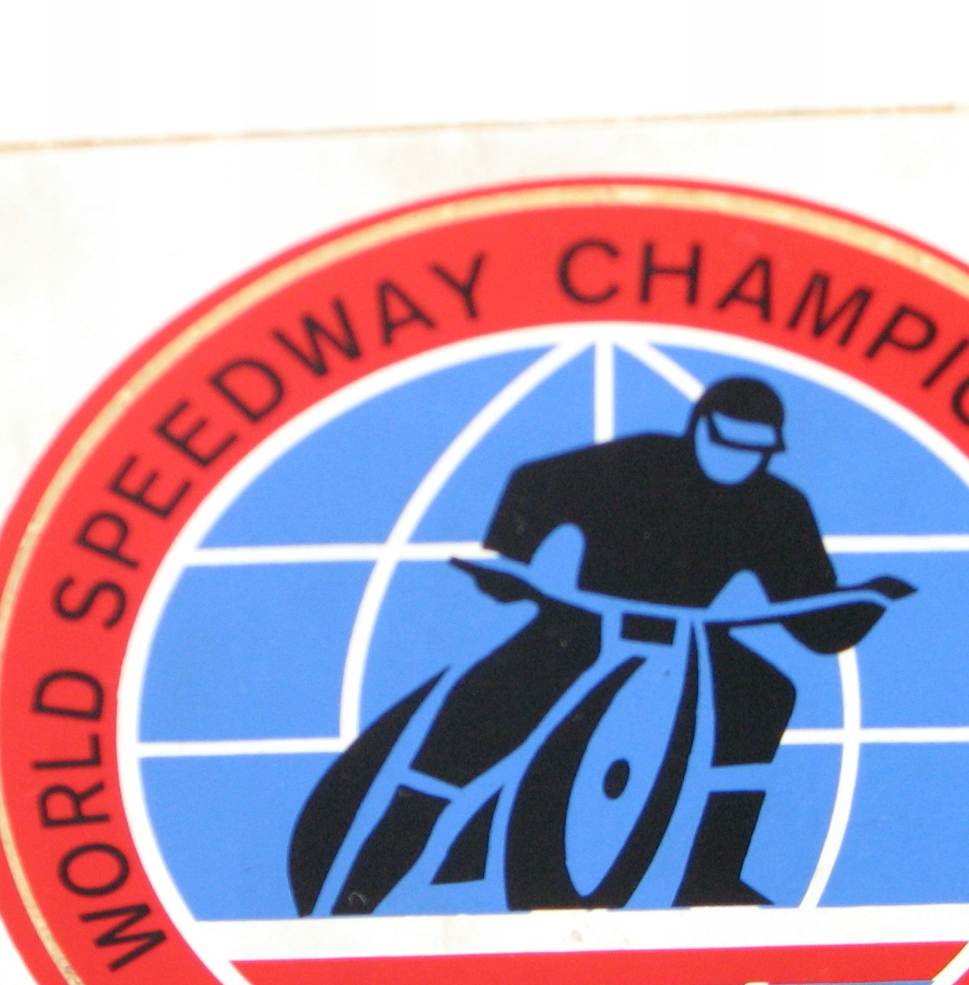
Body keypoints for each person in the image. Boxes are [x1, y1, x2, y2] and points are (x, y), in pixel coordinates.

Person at [292, 376, 888, 914]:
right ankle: (361, 888)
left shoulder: (779, 505)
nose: (738, 460)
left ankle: (712, 874)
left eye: (755, 451)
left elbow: (810, 614)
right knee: (465, 732)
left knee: (766, 692)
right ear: (699, 426)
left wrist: (861, 609)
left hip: (692, 643)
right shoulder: (638, 462)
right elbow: (533, 482)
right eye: (727, 443)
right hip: (582, 626)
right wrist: (510, 561)